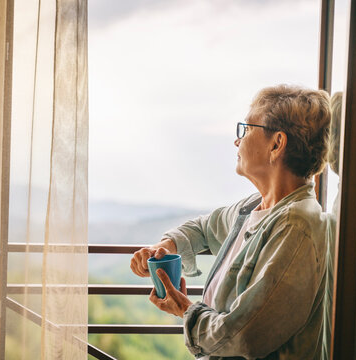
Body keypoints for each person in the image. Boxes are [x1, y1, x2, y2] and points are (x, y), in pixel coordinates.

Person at [130, 84, 333, 359]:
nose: (237, 141)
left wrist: (185, 311)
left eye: (247, 129)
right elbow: (203, 228)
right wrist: (166, 246)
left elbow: (245, 337)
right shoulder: (254, 208)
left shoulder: (297, 226)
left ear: (277, 144)